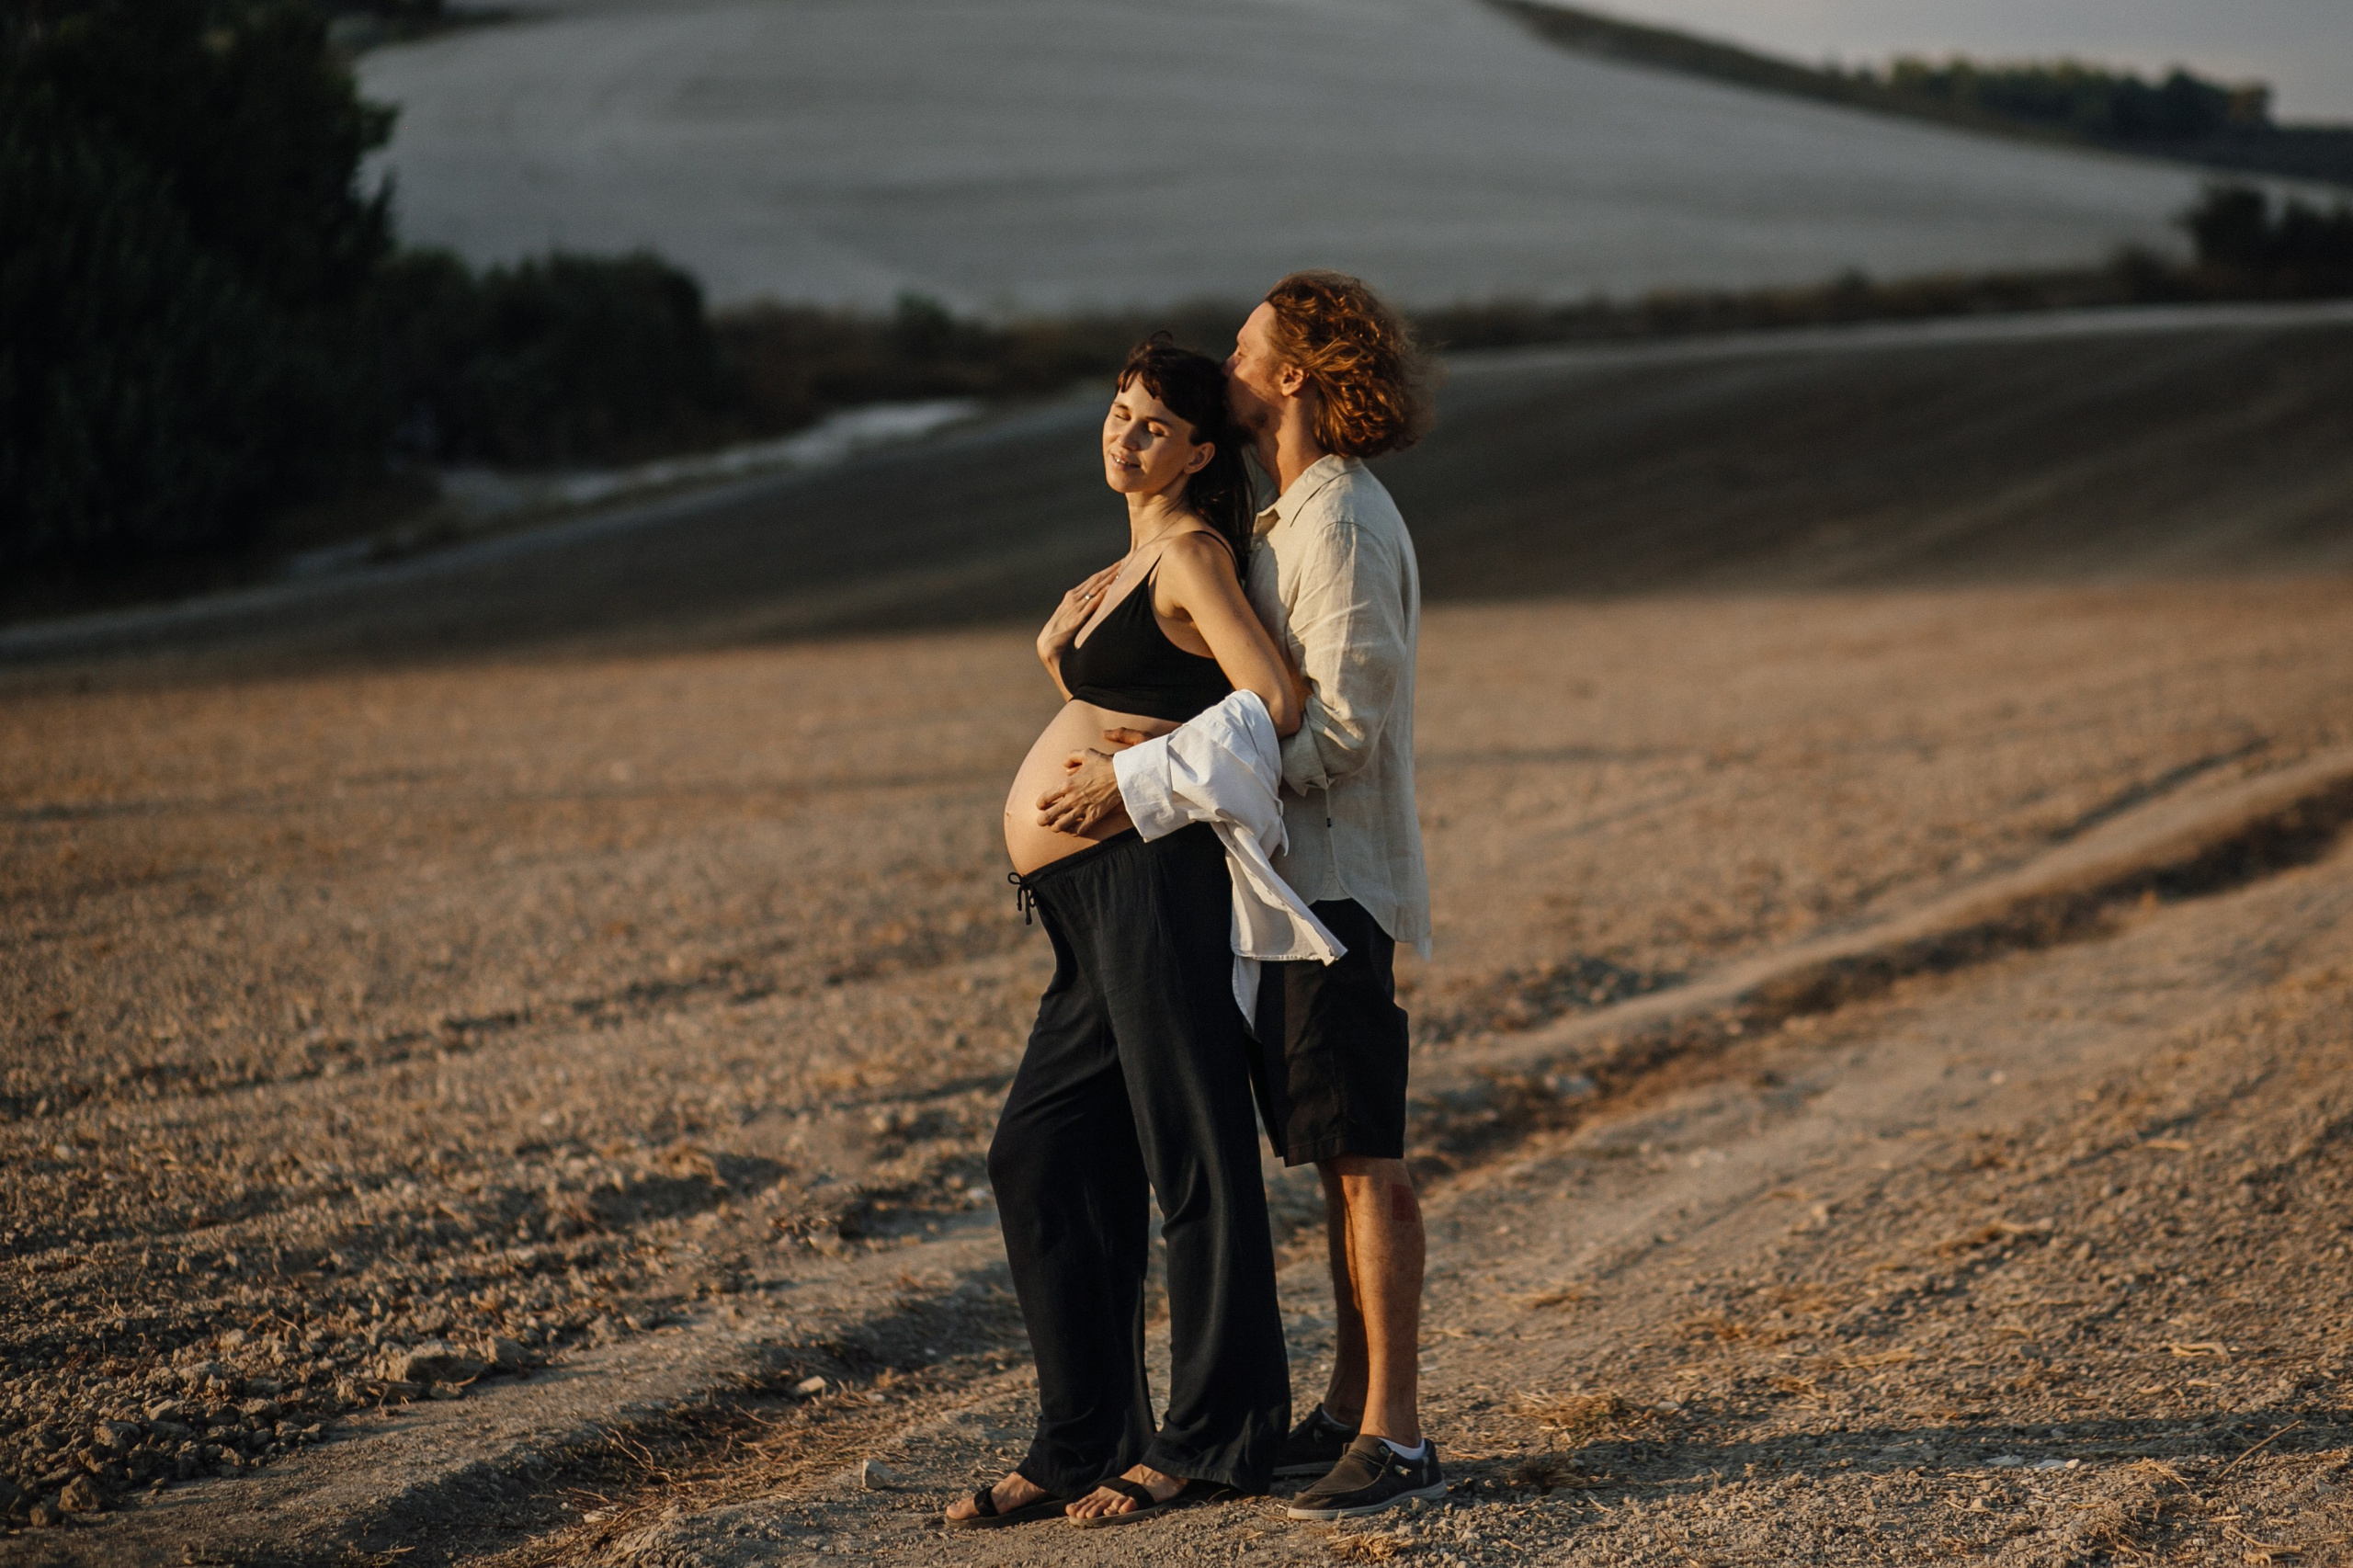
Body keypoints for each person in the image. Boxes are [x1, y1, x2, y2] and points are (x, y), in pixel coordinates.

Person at [1039, 271, 1441, 1521]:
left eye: (1246, 347)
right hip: (1289, 891)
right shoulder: (1286, 522)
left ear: (1296, 376)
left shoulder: (1343, 528)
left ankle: (1401, 1433)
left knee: (1364, 1154)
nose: (1230, 357)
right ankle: (1339, 1406)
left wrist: (1155, 781)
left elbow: (1340, 733)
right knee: (1326, 1148)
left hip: (1338, 890)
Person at [944, 337, 1303, 1530]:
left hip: (1154, 884)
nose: (1123, 433)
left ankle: (1213, 1435)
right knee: (1041, 1154)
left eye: (1152, 423)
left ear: (1201, 452)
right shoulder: (1134, 559)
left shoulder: (1195, 551)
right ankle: (1083, 1433)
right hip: (1089, 911)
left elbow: (1276, 698)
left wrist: (1138, 771)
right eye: (1116, 410)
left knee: (1193, 1154)